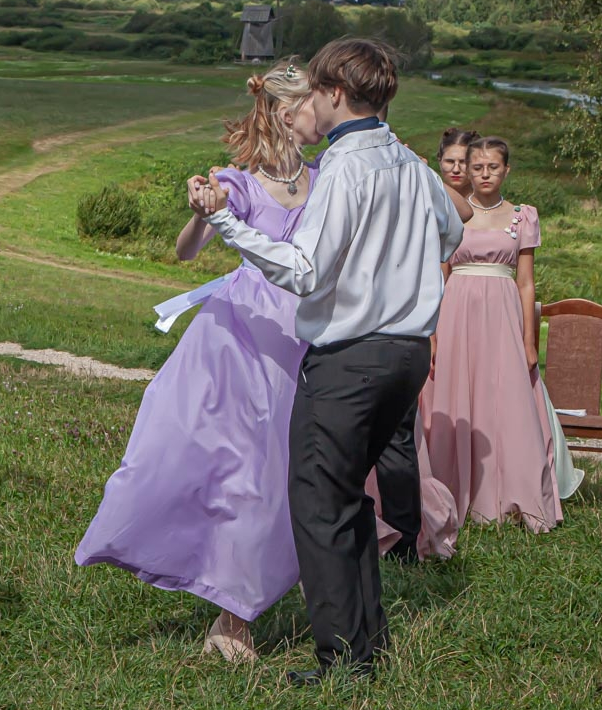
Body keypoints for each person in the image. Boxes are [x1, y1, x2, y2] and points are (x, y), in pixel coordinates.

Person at [77, 61, 459, 664]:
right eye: (313, 105)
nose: (322, 115)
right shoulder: (239, 181)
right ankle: (234, 617)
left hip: (311, 335)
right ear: (290, 113)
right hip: (245, 336)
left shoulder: (328, 174)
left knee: (301, 472)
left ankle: (317, 594)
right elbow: (185, 252)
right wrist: (206, 209)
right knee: (243, 470)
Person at [188, 38, 464, 683]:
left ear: (335, 93)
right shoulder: (409, 161)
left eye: (313, 90)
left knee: (320, 503)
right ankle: (369, 646)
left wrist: (230, 223)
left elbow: (303, 270)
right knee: (350, 500)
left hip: (352, 357)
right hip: (407, 354)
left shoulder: (344, 165)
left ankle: (342, 660)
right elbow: (452, 231)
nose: (309, 101)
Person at [423, 136, 566, 531]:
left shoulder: (523, 216)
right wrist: (432, 333)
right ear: (468, 170)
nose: (485, 174)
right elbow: (440, 274)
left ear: (506, 170)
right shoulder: (453, 213)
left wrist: (528, 338)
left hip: (502, 313)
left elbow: (526, 283)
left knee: (504, 397)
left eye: (493, 167)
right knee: (456, 396)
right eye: (478, 167)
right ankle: (449, 493)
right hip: (456, 311)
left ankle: (507, 494)